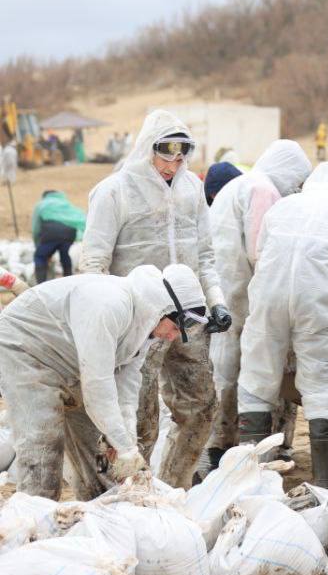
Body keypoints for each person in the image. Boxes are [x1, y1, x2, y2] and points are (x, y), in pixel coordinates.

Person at [80, 110, 232, 488]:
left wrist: (215, 300)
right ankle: (126, 494)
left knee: (200, 407)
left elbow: (205, 254)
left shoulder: (191, 189)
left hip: (189, 316)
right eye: (165, 156)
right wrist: (106, 318)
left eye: (180, 157)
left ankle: (173, 485)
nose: (172, 165)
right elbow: (94, 262)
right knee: (138, 419)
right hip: (139, 320)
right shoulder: (115, 191)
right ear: (148, 149)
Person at [0, 263, 207, 499]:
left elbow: (127, 385)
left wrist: (125, 440)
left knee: (98, 450)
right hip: (26, 349)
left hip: (70, 361)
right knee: (44, 444)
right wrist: (125, 448)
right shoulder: (110, 305)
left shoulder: (144, 324)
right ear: (165, 310)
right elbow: (97, 387)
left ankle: (98, 516)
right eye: (174, 327)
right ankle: (35, 520)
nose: (172, 336)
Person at [236, 162, 328, 490]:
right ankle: (325, 478)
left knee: (256, 374)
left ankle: (252, 474)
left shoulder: (282, 207)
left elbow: (261, 253)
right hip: (315, 298)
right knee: (320, 382)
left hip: (268, 294)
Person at [205, 140, 311, 473]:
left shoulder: (236, 185)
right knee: (255, 372)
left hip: (222, 293)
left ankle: (215, 447)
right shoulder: (264, 190)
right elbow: (261, 250)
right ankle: (257, 448)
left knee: (221, 370)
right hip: (247, 297)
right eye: (296, 180)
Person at [31, 189, 86, 282]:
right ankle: (68, 280)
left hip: (50, 232)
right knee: (64, 255)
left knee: (40, 256)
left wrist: (37, 245)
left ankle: (41, 284)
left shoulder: (42, 204)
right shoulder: (66, 204)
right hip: (69, 233)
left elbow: (36, 228)